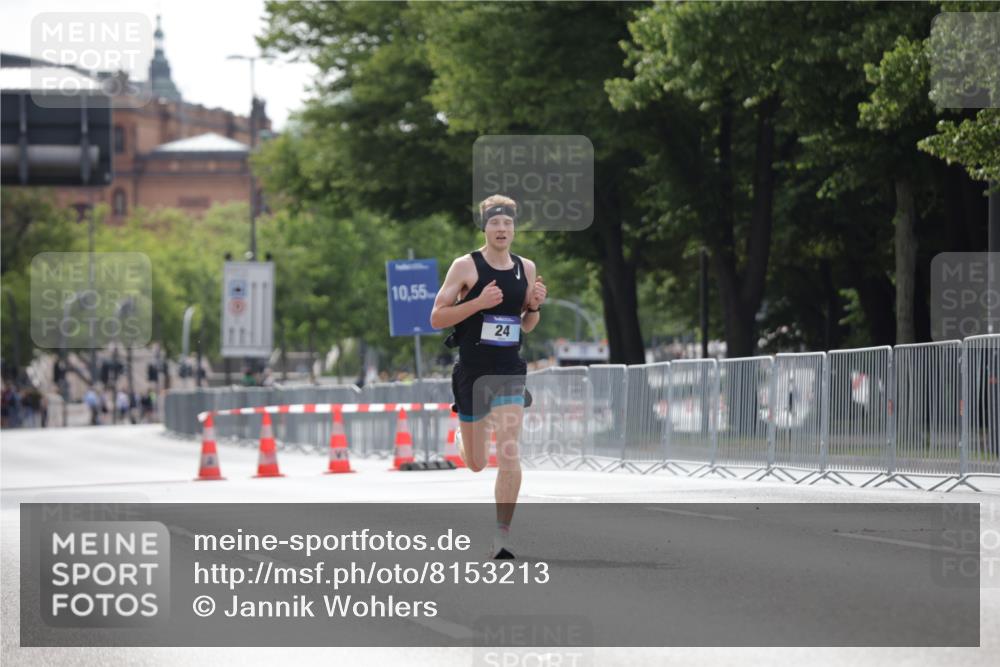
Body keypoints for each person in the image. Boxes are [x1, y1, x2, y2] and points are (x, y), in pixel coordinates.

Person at [430, 194, 548, 559]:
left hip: (509, 369)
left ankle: (502, 536)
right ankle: (462, 440)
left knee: (510, 449)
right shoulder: (466, 267)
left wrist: (535, 306)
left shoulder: (525, 268)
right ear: (484, 226)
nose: (502, 229)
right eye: (495, 222)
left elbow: (526, 324)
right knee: (478, 462)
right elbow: (437, 317)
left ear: (514, 228)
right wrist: (478, 303)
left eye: (508, 223)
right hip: (473, 371)